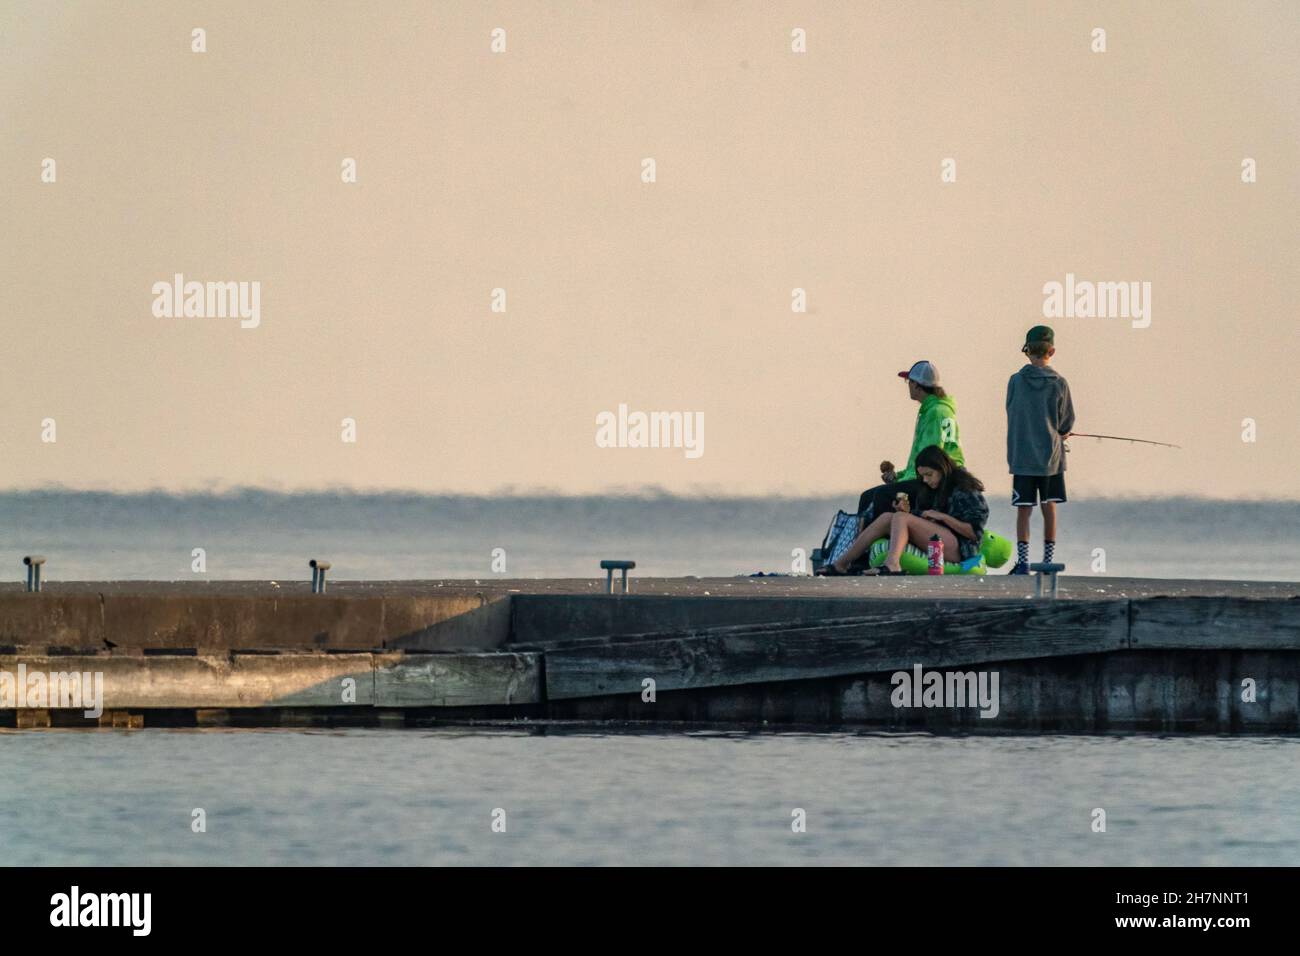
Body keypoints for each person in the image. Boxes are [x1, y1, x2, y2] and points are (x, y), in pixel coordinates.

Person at [826, 445, 988, 575]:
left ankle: (892, 564)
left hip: (961, 548)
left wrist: (942, 517)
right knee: (888, 517)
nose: (926, 480)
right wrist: (908, 512)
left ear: (942, 468)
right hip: (937, 539)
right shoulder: (930, 488)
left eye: (929, 474)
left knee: (901, 518)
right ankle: (841, 564)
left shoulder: (963, 488)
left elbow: (974, 533)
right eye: (922, 476)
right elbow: (925, 520)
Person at [854, 361, 966, 526]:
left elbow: (929, 458)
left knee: (881, 496)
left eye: (909, 381)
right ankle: (865, 538)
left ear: (916, 385)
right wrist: (899, 477)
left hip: (940, 481)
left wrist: (901, 481)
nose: (908, 386)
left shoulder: (934, 413)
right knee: (868, 496)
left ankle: (877, 539)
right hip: (936, 476)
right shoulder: (937, 409)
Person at [1005, 325, 1075, 575]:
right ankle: (1047, 562)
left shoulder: (1015, 381)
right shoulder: (1060, 383)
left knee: (1023, 510)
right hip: (1050, 459)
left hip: (1022, 457)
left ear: (1027, 350)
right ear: (1052, 351)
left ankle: (1023, 563)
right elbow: (1066, 422)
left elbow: (1010, 410)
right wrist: (1061, 432)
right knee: (1049, 507)